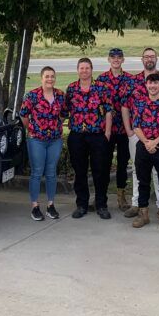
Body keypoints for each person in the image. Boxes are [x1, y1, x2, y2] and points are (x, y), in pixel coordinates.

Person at [120, 47, 159, 218]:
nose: (149, 59)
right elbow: (125, 106)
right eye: (146, 56)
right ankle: (137, 203)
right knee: (138, 169)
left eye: (152, 56)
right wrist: (129, 130)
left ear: (156, 58)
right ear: (142, 59)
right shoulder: (133, 81)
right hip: (139, 134)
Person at [65, 58, 114, 219]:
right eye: (81, 68)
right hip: (77, 135)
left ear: (92, 70)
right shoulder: (71, 88)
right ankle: (82, 204)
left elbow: (108, 110)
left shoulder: (101, 87)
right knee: (80, 171)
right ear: (77, 70)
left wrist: (107, 133)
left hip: (98, 135)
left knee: (100, 171)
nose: (84, 71)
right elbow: (65, 111)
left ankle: (101, 204)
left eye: (87, 68)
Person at [129, 73, 159, 230]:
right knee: (142, 181)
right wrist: (146, 142)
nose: (152, 86)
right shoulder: (139, 104)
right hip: (143, 145)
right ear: (146, 86)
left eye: (155, 83)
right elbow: (136, 126)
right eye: (150, 83)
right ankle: (143, 214)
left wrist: (155, 142)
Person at [19, 66, 66, 221]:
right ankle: (35, 206)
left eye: (52, 76)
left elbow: (64, 114)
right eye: (47, 76)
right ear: (41, 78)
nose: (50, 79)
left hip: (55, 140)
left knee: (51, 172)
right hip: (37, 140)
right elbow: (24, 115)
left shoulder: (60, 95)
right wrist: (31, 130)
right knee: (37, 172)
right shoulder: (32, 96)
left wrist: (56, 125)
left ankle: (51, 205)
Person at [94, 48, 135, 212]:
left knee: (123, 164)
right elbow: (96, 104)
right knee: (103, 163)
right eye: (113, 57)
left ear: (123, 60)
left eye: (119, 57)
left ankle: (121, 195)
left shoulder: (130, 79)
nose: (116, 60)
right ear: (108, 60)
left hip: (125, 129)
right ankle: (100, 197)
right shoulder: (101, 79)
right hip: (107, 129)